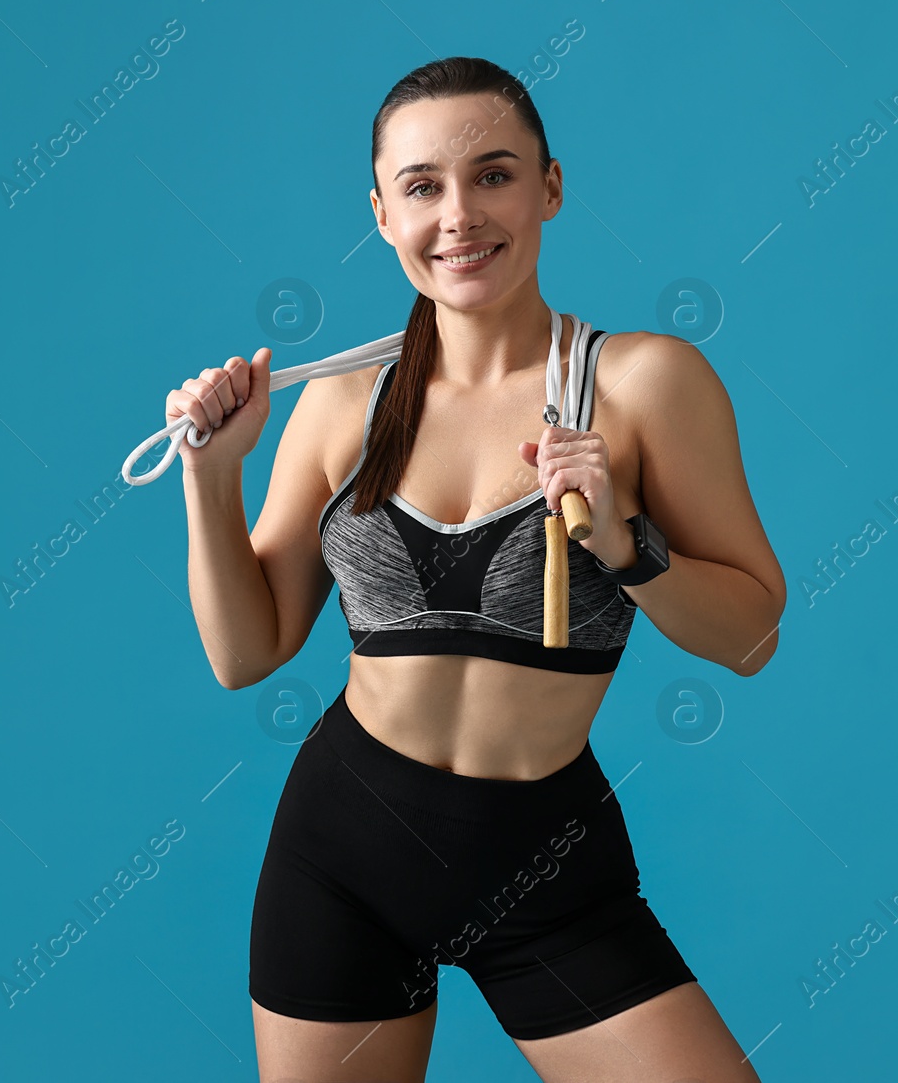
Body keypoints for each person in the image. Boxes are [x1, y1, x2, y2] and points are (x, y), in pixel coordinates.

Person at [162, 56, 785, 1083]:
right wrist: (209, 479)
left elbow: (753, 638)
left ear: (548, 187)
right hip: (340, 855)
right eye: (422, 187)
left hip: (541, 862)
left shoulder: (641, 384)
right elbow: (246, 653)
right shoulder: (337, 404)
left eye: (493, 175)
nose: (459, 215)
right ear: (381, 212)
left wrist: (627, 548)